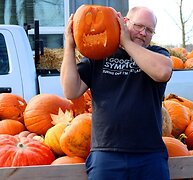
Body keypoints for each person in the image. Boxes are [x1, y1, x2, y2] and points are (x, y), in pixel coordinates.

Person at [61, 6, 172, 180]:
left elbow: (162, 72)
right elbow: (71, 90)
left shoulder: (156, 53)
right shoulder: (99, 54)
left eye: (149, 30)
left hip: (149, 154)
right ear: (124, 22)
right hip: (106, 153)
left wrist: (126, 42)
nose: (143, 33)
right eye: (139, 26)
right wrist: (69, 44)